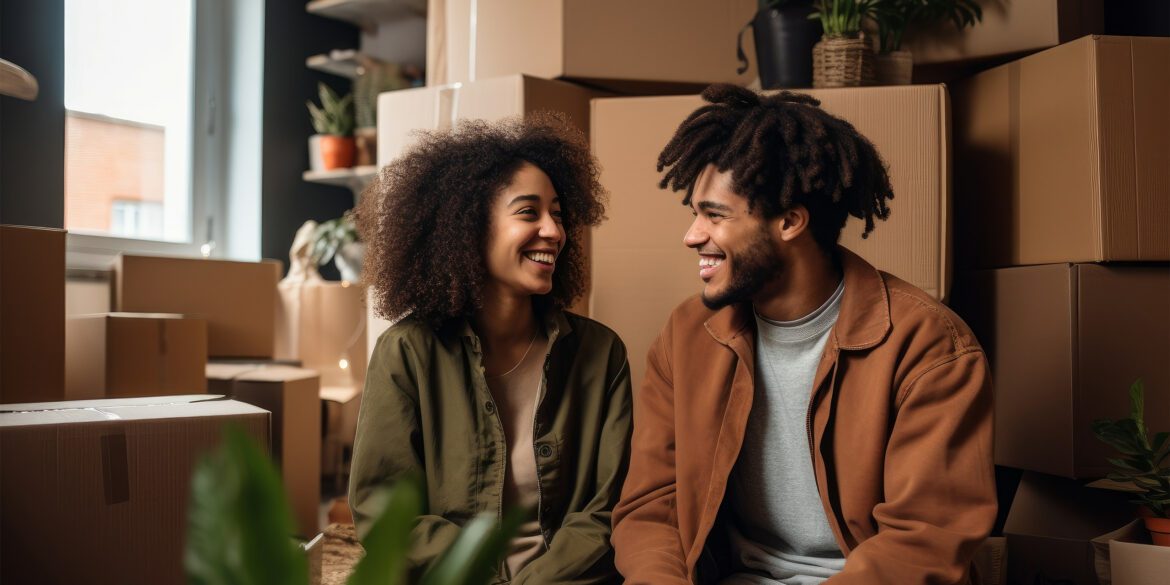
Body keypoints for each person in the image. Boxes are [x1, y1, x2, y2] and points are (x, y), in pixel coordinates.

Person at [611, 84, 996, 585]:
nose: (692, 235)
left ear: (790, 221)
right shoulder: (687, 335)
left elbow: (925, 539)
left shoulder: (928, 345)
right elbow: (651, 506)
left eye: (715, 215)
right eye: (694, 212)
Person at [350, 114, 631, 584]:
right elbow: (386, 515)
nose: (554, 231)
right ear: (468, 227)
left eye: (558, 215)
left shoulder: (600, 355)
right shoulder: (407, 353)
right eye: (529, 212)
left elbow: (609, 510)